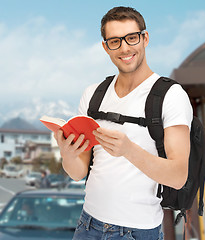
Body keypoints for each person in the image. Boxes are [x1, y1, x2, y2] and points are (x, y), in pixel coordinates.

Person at [54, 6, 192, 240]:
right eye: (115, 41)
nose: (125, 48)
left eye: (131, 38)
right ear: (105, 47)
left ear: (144, 38)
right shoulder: (92, 94)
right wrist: (67, 154)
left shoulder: (171, 95)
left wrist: (128, 150)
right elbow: (78, 173)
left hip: (137, 231)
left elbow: (178, 177)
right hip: (88, 225)